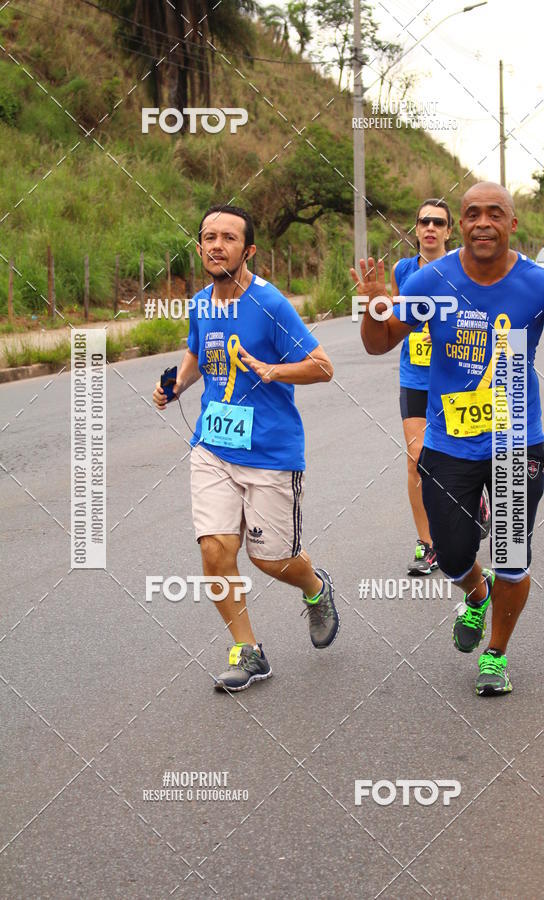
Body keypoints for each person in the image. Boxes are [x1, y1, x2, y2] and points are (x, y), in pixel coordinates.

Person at [354, 182, 544, 696]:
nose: (482, 222)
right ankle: (475, 591)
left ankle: (495, 654)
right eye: (471, 214)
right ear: (460, 225)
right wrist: (376, 308)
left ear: (513, 224)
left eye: (495, 213)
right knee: (451, 556)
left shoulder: (540, 284)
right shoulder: (429, 281)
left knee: (511, 556)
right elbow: (379, 346)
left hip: (515, 444)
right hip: (448, 445)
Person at [153, 204, 339, 692]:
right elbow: (198, 353)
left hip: (271, 452)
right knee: (215, 549)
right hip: (213, 445)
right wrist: (177, 386)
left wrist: (274, 370)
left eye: (228, 238)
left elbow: (323, 366)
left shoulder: (270, 304)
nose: (217, 245)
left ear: (248, 249)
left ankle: (315, 588)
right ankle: (247, 650)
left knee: (270, 559)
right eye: (209, 237)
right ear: (200, 247)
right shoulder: (199, 304)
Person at [392, 199, 452, 575]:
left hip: (456, 377)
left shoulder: (461, 267)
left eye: (438, 222)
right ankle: (427, 544)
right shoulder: (403, 269)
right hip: (415, 375)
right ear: (416, 229)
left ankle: (473, 503)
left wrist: (446, 335)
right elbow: (399, 317)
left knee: (459, 457)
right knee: (417, 460)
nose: (430, 227)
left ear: (449, 230)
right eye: (423, 221)